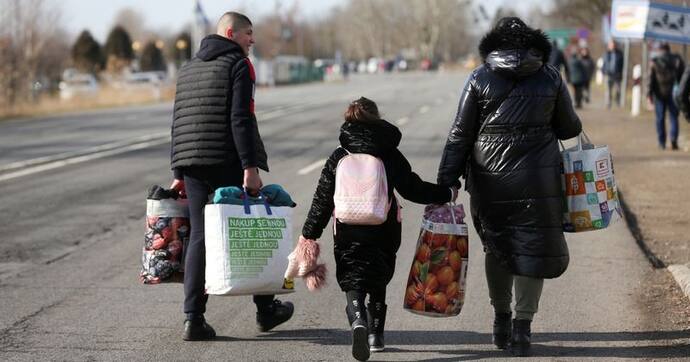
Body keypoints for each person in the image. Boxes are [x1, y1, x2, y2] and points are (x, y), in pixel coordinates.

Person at [437, 17, 582, 357]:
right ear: (533, 43)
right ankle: (522, 329)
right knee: (532, 248)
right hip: (539, 180)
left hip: (490, 181)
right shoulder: (550, 77)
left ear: (495, 45)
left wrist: (447, 181)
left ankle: (500, 320)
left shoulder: (479, 78)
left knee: (497, 246)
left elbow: (460, 134)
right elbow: (568, 128)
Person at [299, 97, 456, 361]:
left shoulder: (339, 155)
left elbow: (322, 199)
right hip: (383, 225)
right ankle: (376, 335)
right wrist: (447, 193)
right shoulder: (388, 153)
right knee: (378, 274)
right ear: (376, 119)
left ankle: (357, 317)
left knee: (352, 275)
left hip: (347, 227)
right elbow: (412, 188)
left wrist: (309, 234)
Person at [169, 11, 293, 341]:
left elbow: (179, 120)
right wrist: (250, 169)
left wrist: (179, 171)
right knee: (252, 226)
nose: (252, 40)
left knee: (198, 235)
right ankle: (266, 311)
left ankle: (193, 318)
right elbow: (241, 119)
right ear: (230, 33)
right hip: (226, 159)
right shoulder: (239, 65)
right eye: (247, 33)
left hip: (192, 163)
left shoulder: (188, 68)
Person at [648, 42, 684, 150]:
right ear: (669, 49)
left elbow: (650, 80)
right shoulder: (677, 60)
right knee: (674, 117)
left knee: (660, 118)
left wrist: (648, 94)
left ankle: (661, 142)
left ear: (659, 50)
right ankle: (673, 139)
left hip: (659, 94)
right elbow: (683, 78)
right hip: (673, 93)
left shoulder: (654, 62)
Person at [603, 40, 624, 108]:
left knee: (618, 90)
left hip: (617, 74)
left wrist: (621, 73)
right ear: (609, 46)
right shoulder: (606, 53)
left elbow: (622, 64)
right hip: (608, 74)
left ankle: (618, 102)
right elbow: (604, 64)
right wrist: (603, 71)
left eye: (613, 45)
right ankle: (608, 103)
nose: (612, 46)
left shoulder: (619, 53)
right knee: (608, 90)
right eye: (611, 45)